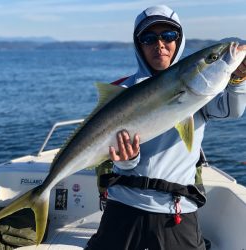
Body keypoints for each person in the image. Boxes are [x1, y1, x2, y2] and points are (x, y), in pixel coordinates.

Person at [85, 5, 246, 250]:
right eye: (149, 38)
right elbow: (106, 153)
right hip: (124, 206)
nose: (159, 44)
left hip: (176, 210)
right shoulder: (124, 93)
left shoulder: (198, 89)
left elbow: (231, 110)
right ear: (139, 45)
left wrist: (237, 81)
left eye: (168, 36)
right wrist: (126, 161)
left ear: (178, 40)